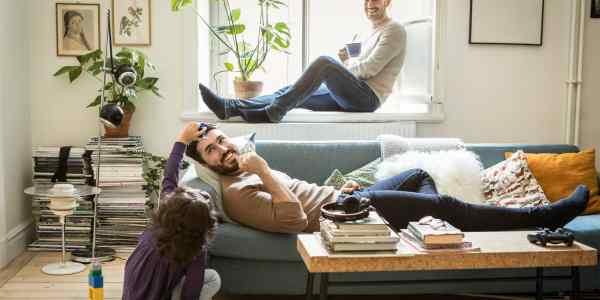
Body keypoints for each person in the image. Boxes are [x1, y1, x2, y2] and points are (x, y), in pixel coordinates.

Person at [185, 125, 590, 234]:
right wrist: (265, 172)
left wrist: (336, 189)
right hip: (341, 221)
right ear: (207, 164)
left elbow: (299, 193)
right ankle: (546, 216)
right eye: (212, 151)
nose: (222, 150)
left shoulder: (249, 168)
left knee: (417, 174)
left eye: (220, 141)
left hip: (346, 201)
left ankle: (432, 222)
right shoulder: (237, 191)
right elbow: (292, 220)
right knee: (445, 205)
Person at [198, 0, 406, 123]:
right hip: (355, 92)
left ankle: (274, 111)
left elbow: (368, 70)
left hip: (367, 99)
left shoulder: (394, 30)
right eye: (367, 0)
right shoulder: (369, 30)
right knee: (294, 91)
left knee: (324, 62)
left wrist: (345, 64)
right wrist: (348, 60)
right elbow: (358, 66)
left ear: (387, 1)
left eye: (376, 0)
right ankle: (230, 107)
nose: (370, 4)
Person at [123, 123, 221, 300]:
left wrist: (182, 139)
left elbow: (170, 175)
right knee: (213, 279)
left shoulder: (160, 219)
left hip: (130, 295)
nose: (205, 193)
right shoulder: (195, 250)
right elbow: (191, 293)